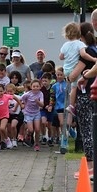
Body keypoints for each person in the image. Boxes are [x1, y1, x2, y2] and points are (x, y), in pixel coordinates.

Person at [74, 22, 97, 179]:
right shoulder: (95, 48)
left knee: (86, 130)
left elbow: (75, 73)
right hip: (93, 92)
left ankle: (90, 167)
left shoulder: (86, 51)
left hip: (85, 93)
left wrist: (72, 76)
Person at [59, 22, 96, 118]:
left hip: (67, 69)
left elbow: (61, 57)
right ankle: (72, 105)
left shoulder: (66, 45)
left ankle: (71, 105)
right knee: (74, 87)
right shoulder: (85, 47)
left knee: (73, 86)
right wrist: (93, 59)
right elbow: (83, 55)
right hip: (88, 87)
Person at [0, 84, 22, 152]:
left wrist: (20, 104)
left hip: (5, 116)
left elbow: (15, 97)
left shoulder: (6, 96)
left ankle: (7, 139)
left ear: (4, 91)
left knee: (2, 128)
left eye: (1, 91)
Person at [21, 80, 44, 151]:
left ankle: (36, 144)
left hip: (36, 113)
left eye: (37, 86)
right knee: (30, 130)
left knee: (37, 129)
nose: (35, 88)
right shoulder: (27, 94)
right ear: (31, 87)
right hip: (28, 113)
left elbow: (42, 105)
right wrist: (23, 105)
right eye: (34, 86)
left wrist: (38, 102)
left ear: (40, 87)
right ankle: (28, 135)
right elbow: (21, 100)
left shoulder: (40, 94)